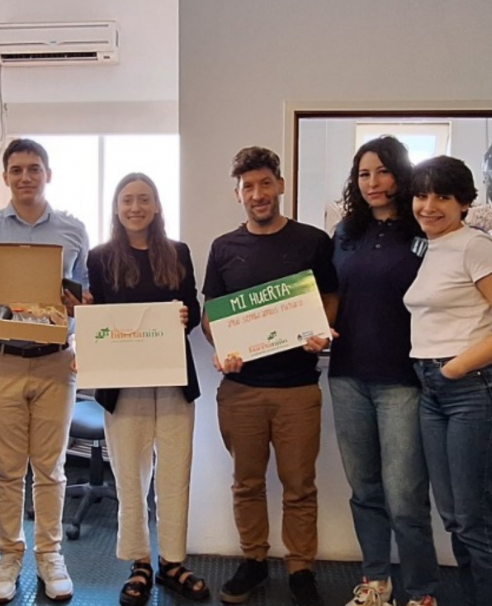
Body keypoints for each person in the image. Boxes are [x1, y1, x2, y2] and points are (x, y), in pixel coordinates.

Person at [202, 146, 338, 606]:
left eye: (265, 183)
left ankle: (301, 569)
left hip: (297, 388)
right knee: (247, 484)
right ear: (237, 193)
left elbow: (330, 298)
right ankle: (254, 561)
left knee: (300, 486)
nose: (257, 194)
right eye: (248, 187)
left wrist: (321, 332)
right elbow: (211, 315)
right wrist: (223, 348)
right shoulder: (224, 248)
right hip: (241, 390)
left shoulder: (313, 241)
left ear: (280, 184)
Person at [0, 138, 89, 604]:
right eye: (16, 170)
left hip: (55, 362)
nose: (25, 177)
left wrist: (77, 308)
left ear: (47, 174)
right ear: (6, 176)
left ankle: (50, 555)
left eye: (34, 168)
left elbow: (85, 294)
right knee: (8, 470)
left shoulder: (73, 229)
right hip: (0, 360)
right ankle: (8, 556)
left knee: (51, 468)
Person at [404, 156, 492, 606]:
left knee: (477, 522)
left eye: (442, 196)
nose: (428, 206)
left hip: (476, 392)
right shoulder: (431, 248)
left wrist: (454, 368)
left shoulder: (475, 246)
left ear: (464, 203)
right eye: (421, 195)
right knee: (457, 520)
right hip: (434, 393)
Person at [86, 173, 208, 606]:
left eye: (143, 199)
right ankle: (139, 562)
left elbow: (192, 305)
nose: (135, 207)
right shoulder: (100, 257)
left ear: (156, 206)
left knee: (175, 472)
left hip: (173, 378)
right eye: (127, 200)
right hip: (123, 384)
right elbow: (97, 316)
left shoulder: (178, 252)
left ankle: (172, 562)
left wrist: (185, 316)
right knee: (129, 474)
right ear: (117, 208)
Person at [329, 137, 440, 606]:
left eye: (382, 171)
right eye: (363, 174)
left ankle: (421, 593)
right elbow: (328, 297)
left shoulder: (424, 232)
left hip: (402, 381)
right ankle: (376, 583)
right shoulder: (344, 233)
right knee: (365, 491)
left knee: (406, 497)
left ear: (401, 174)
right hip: (346, 376)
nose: (372, 182)